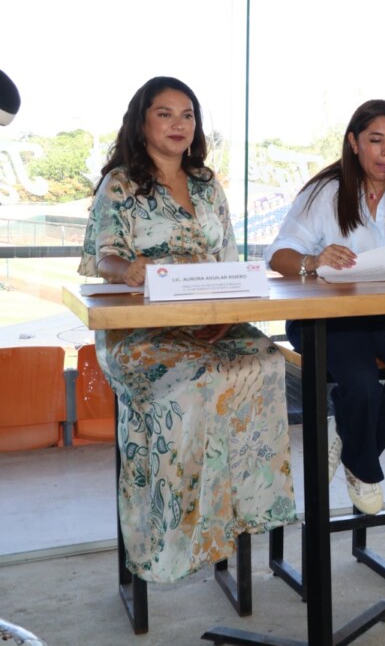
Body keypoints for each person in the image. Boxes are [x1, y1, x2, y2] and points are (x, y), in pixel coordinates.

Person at [79, 76, 295, 583]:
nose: (179, 125)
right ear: (142, 121)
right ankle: (175, 532)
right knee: (200, 380)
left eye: (188, 115)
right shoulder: (121, 184)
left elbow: (229, 262)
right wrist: (127, 270)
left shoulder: (206, 183)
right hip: (142, 331)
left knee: (265, 362)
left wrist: (225, 313)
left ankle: (238, 514)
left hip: (213, 321)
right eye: (165, 113)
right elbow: (104, 257)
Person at [266, 99, 385, 515]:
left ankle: (350, 441)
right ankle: (365, 466)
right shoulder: (324, 191)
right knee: (361, 381)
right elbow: (278, 255)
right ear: (353, 142)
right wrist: (312, 261)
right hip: (327, 315)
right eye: (376, 141)